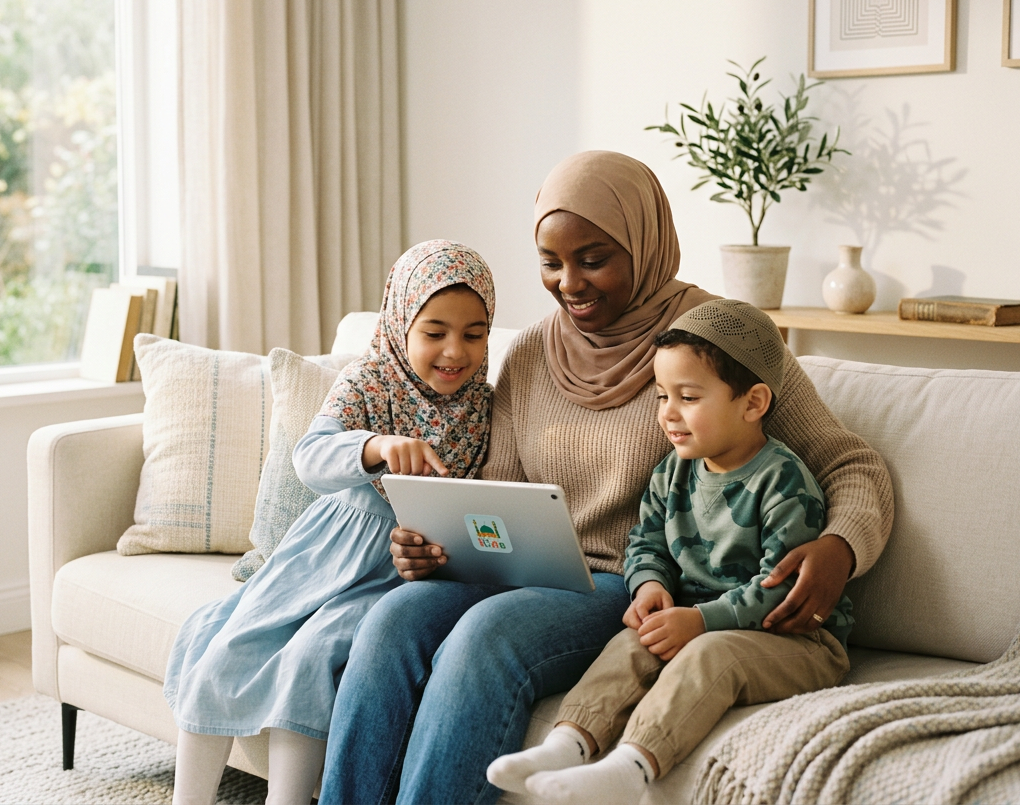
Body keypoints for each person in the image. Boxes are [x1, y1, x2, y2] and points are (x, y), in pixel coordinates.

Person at [318, 151, 894, 805]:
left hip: (633, 581)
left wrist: (840, 548)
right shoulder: (534, 350)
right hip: (525, 567)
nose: (569, 283)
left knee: (487, 636)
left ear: (644, 244)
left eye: (593, 259)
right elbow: (500, 487)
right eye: (550, 262)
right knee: (394, 617)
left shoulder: (715, 340)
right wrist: (439, 547)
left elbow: (849, 462)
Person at [163, 240, 496, 805]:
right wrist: (375, 446)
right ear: (400, 323)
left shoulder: (487, 406)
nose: (454, 351)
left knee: (314, 658)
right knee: (223, 637)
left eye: (474, 333)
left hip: (399, 571)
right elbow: (310, 457)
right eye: (434, 331)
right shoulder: (369, 380)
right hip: (326, 550)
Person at [486, 299, 853, 804]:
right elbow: (646, 540)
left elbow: (781, 587)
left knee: (709, 653)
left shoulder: (783, 482)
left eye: (688, 397)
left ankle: (632, 767)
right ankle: (567, 744)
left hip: (796, 641)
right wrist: (651, 585)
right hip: (699, 617)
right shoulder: (674, 471)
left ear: (752, 403)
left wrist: (701, 621)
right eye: (662, 397)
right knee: (634, 641)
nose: (669, 414)